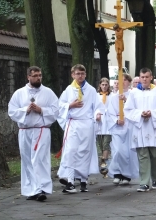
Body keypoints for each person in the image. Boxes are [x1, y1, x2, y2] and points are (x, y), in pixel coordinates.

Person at [8, 66, 59, 201]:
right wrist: (26, 110)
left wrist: (41, 110)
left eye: (40, 75)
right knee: (26, 160)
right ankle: (31, 189)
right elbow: (12, 111)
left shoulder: (48, 93)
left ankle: (40, 188)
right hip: (25, 131)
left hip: (41, 130)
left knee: (38, 159)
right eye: (35, 75)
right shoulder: (19, 93)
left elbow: (56, 110)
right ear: (28, 77)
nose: (38, 78)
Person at [57, 64, 104, 193]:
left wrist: (98, 114)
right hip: (73, 124)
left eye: (82, 74)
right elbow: (60, 106)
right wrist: (70, 105)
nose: (80, 76)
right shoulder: (68, 90)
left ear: (86, 74)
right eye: (77, 74)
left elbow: (98, 106)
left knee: (85, 152)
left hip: (87, 124)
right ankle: (70, 182)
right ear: (73, 75)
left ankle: (84, 180)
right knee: (71, 151)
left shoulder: (91, 90)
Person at [124, 67, 156, 192]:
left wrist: (152, 113)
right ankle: (144, 182)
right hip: (140, 127)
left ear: (151, 77)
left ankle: (154, 178)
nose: (144, 79)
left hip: (153, 127)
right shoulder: (133, 93)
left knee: (154, 155)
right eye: (142, 77)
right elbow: (128, 110)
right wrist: (139, 114)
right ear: (139, 78)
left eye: (147, 77)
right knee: (142, 155)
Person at [106, 74, 139, 185]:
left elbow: (135, 110)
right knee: (117, 151)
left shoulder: (133, 95)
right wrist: (116, 120)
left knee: (127, 152)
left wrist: (125, 100)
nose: (122, 82)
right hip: (117, 128)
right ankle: (116, 173)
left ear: (129, 82)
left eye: (125, 80)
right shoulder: (113, 97)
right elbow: (109, 113)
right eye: (120, 80)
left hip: (129, 127)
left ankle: (126, 175)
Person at [96, 78, 112, 176]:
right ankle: (103, 159)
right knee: (100, 144)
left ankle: (104, 163)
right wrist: (97, 114)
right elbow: (94, 107)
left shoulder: (112, 96)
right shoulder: (97, 96)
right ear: (100, 85)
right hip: (99, 122)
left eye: (106, 84)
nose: (104, 86)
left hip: (109, 122)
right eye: (103, 84)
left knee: (106, 143)